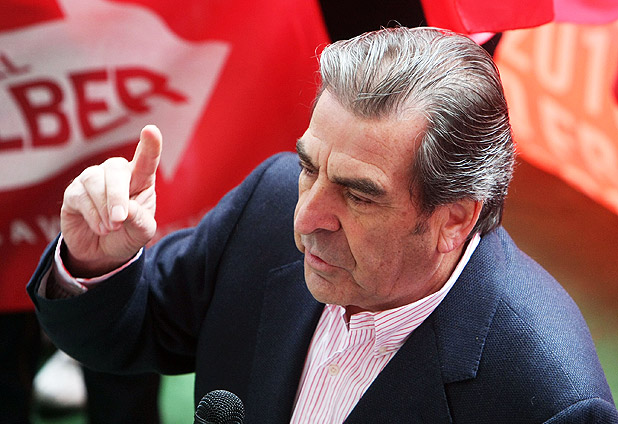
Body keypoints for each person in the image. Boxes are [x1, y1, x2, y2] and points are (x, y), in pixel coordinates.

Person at [27, 27, 617, 422]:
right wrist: (94, 260)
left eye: (359, 196)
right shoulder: (268, 201)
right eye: (310, 167)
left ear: (454, 220)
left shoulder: (547, 398)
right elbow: (131, 330)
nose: (307, 216)